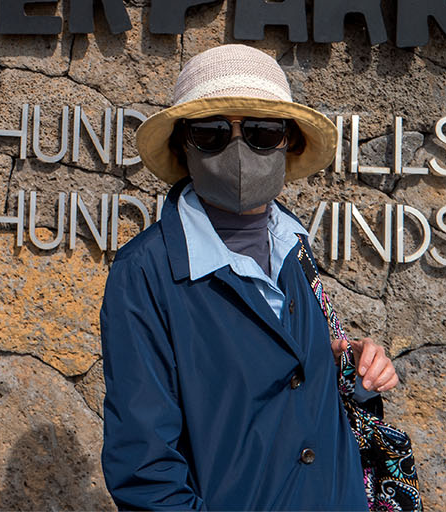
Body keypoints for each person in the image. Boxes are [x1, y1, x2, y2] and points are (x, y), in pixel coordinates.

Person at [100, 44, 400, 511]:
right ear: (183, 145)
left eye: (262, 131)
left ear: (288, 142)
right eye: (212, 133)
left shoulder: (294, 247)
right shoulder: (145, 272)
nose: (238, 150)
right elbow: (145, 471)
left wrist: (351, 371)